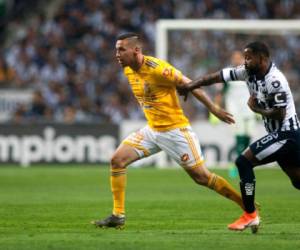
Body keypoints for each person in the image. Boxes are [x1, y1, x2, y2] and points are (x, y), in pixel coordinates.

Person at [91, 33, 245, 229]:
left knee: (202, 178)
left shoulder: (159, 69)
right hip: (152, 130)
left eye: (121, 49)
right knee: (117, 160)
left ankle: (246, 205)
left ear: (136, 50)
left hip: (175, 132)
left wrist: (213, 108)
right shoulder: (129, 69)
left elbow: (191, 84)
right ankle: (118, 215)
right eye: (116, 50)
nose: (117, 54)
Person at [177, 41, 300, 233]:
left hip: (287, 134)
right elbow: (217, 77)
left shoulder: (275, 79)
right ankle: (251, 215)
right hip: (281, 136)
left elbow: (280, 114)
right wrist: (191, 85)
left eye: (249, 57)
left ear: (263, 58)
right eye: (245, 57)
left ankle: (250, 214)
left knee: (243, 162)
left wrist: (256, 109)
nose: (246, 61)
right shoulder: (247, 72)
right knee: (297, 181)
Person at [213, 51, 256, 178]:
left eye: (239, 58)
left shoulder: (250, 73)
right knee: (239, 138)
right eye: (235, 58)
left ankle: (245, 162)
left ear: (243, 59)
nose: (237, 60)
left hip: (249, 110)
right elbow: (220, 93)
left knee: (248, 137)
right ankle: (238, 165)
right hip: (235, 112)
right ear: (232, 59)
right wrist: (215, 110)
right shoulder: (228, 74)